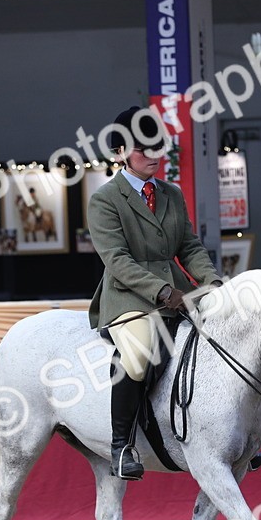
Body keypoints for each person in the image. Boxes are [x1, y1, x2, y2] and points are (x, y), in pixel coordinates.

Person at [88, 106, 222, 480]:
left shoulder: (171, 194)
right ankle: (120, 446)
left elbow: (189, 247)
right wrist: (163, 291)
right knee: (139, 353)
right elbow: (117, 260)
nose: (153, 155)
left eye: (158, 147)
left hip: (174, 296)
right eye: (142, 149)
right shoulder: (105, 200)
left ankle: (228, 441)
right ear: (120, 153)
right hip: (129, 298)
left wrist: (211, 284)